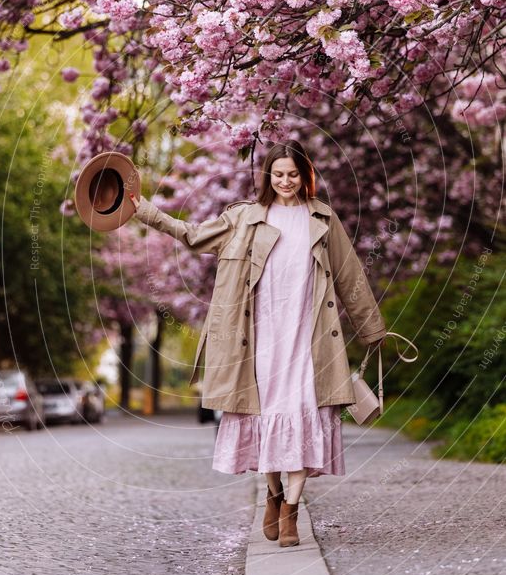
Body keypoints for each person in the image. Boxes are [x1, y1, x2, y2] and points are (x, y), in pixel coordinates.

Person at [129, 140, 386, 548]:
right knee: (264, 416)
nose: (285, 182)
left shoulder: (322, 219)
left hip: (308, 337)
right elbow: (192, 236)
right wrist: (146, 212)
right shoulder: (246, 218)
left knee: (302, 413)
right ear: (267, 176)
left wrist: (373, 330)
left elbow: (350, 274)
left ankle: (291, 513)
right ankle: (274, 493)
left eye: (293, 174)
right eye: (278, 174)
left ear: (306, 175)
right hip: (259, 340)